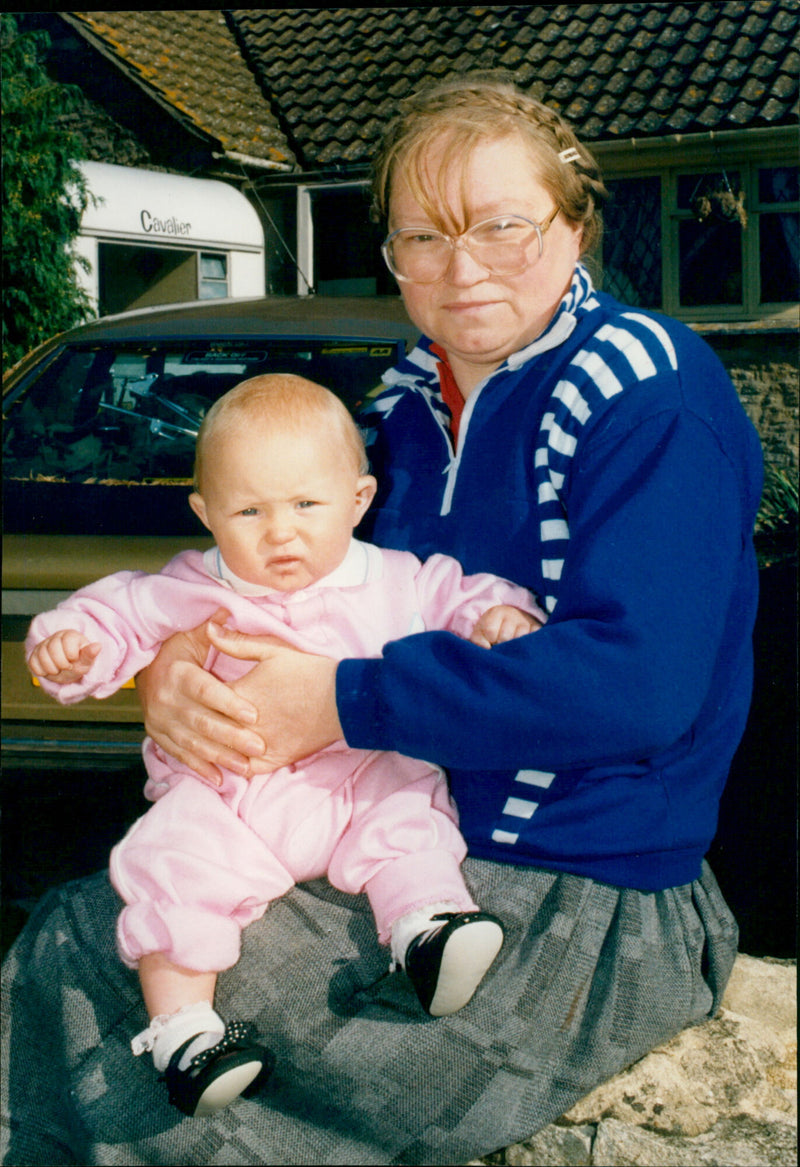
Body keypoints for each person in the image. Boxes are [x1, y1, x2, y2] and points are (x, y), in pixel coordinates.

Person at [2, 73, 763, 1166]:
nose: (462, 268)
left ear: (574, 223)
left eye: (501, 225)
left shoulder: (645, 390)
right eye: (421, 237)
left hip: (574, 895)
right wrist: (170, 662)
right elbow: (299, 579)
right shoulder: (404, 406)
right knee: (88, 931)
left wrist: (339, 699)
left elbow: (638, 684)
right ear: (391, 254)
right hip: (391, 837)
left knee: (109, 1017)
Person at [24, 373, 543, 1118]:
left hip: (352, 775)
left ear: (359, 499)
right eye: (248, 510)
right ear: (205, 512)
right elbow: (117, 611)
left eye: (307, 504)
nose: (281, 532)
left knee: (408, 803)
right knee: (170, 864)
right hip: (229, 793)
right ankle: (184, 1031)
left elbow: (462, 596)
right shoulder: (193, 584)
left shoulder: (396, 579)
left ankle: (427, 924)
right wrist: (73, 645)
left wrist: (498, 617)